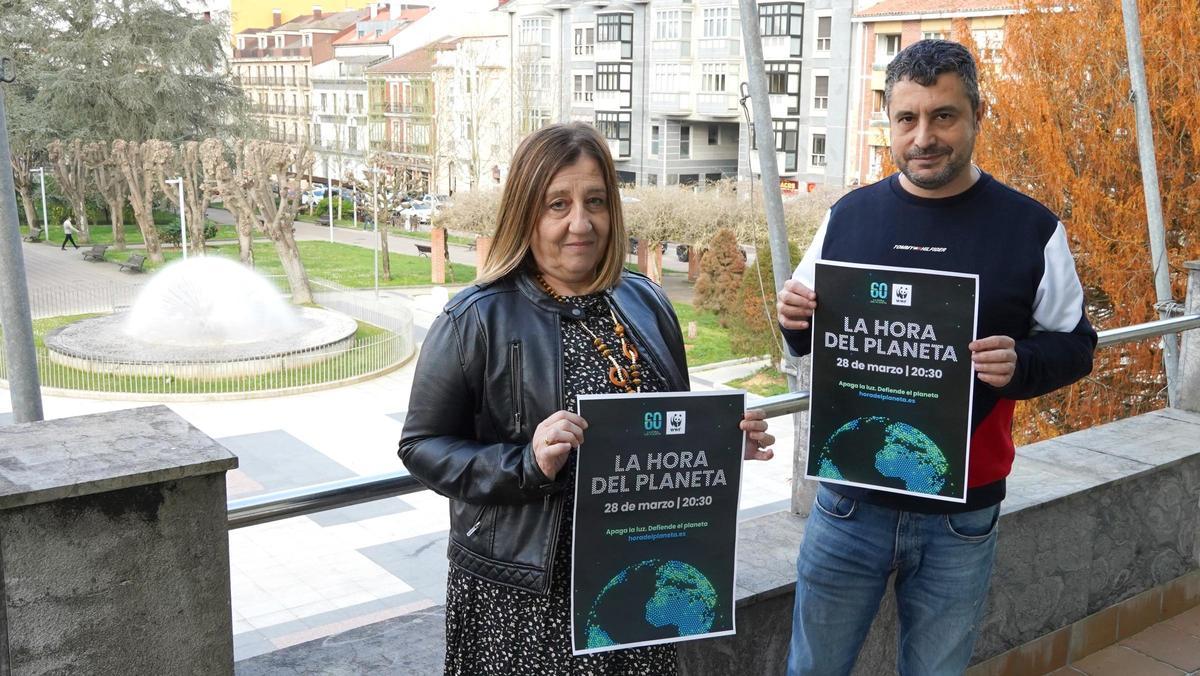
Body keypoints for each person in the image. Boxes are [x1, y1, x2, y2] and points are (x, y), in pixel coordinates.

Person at [399, 122, 776, 675]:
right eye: (558, 204)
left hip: (633, 585)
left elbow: (662, 427)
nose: (581, 222)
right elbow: (421, 446)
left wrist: (716, 446)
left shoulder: (646, 300)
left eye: (595, 201)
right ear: (526, 212)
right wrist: (526, 462)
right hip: (524, 600)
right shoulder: (476, 317)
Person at [777, 40, 1096, 675]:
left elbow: (1075, 345)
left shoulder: (1031, 229)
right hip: (847, 503)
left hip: (963, 515)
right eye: (907, 118)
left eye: (943, 116)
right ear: (889, 123)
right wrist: (793, 324)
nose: (924, 136)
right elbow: (814, 336)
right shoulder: (849, 218)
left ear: (978, 115)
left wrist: (1022, 363)